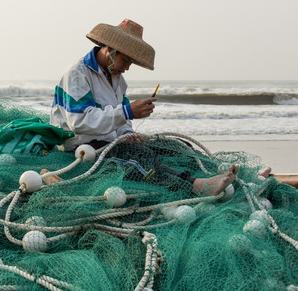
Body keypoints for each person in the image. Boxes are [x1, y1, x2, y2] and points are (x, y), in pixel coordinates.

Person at [50, 18, 238, 196]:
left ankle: (218, 173)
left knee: (175, 146)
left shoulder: (118, 80)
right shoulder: (77, 73)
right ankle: (195, 185)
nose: (128, 68)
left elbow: (122, 121)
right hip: (83, 148)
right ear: (111, 51)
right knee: (141, 156)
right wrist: (127, 111)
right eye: (126, 61)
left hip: (110, 143)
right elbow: (80, 121)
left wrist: (127, 133)